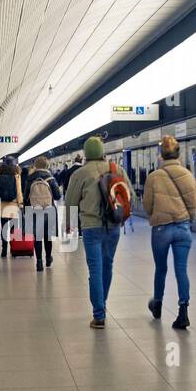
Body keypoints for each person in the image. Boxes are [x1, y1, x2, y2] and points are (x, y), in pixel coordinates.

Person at [66, 136, 130, 328]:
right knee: (107, 265)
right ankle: (103, 303)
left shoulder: (80, 173)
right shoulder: (117, 169)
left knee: (95, 269)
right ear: (103, 151)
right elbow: (129, 195)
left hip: (91, 227)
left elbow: (70, 202)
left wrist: (69, 225)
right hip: (113, 226)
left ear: (86, 153)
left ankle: (99, 314)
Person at [141, 135, 196, 329]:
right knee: (181, 269)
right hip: (183, 227)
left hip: (161, 229)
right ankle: (183, 311)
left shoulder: (154, 176)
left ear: (161, 155)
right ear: (178, 153)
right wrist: (188, 218)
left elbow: (147, 204)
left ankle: (157, 304)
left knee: (161, 269)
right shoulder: (187, 175)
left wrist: (155, 216)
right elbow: (193, 202)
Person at [24, 155, 62, 271]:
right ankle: (48, 258)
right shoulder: (51, 178)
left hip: (34, 210)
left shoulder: (30, 178)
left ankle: (39, 262)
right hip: (48, 210)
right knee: (47, 236)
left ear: (35, 166)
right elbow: (57, 196)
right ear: (47, 166)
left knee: (37, 236)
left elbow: (26, 197)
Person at [0, 156, 23, 258]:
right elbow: (18, 191)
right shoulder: (16, 175)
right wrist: (20, 203)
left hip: (2, 205)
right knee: (14, 229)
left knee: (4, 228)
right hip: (13, 205)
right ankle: (14, 249)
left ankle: (4, 250)